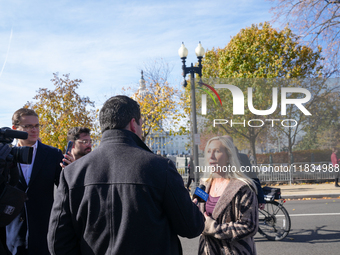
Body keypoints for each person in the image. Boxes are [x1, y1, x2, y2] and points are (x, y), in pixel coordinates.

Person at [48, 95, 205, 255]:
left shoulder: (71, 173)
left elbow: (57, 241)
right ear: (133, 124)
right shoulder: (160, 167)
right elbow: (192, 227)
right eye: (141, 124)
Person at [6, 108, 63, 255]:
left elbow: (65, 192)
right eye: (28, 126)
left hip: (45, 234)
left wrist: (71, 171)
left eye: (37, 125)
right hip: (11, 238)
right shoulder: (5, 155)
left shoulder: (53, 154)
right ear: (15, 129)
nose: (34, 130)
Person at [198, 136, 258, 255]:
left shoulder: (243, 188)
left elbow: (249, 226)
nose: (211, 156)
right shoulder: (204, 184)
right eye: (209, 151)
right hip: (207, 250)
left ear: (229, 156)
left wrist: (213, 228)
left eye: (217, 151)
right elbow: (197, 209)